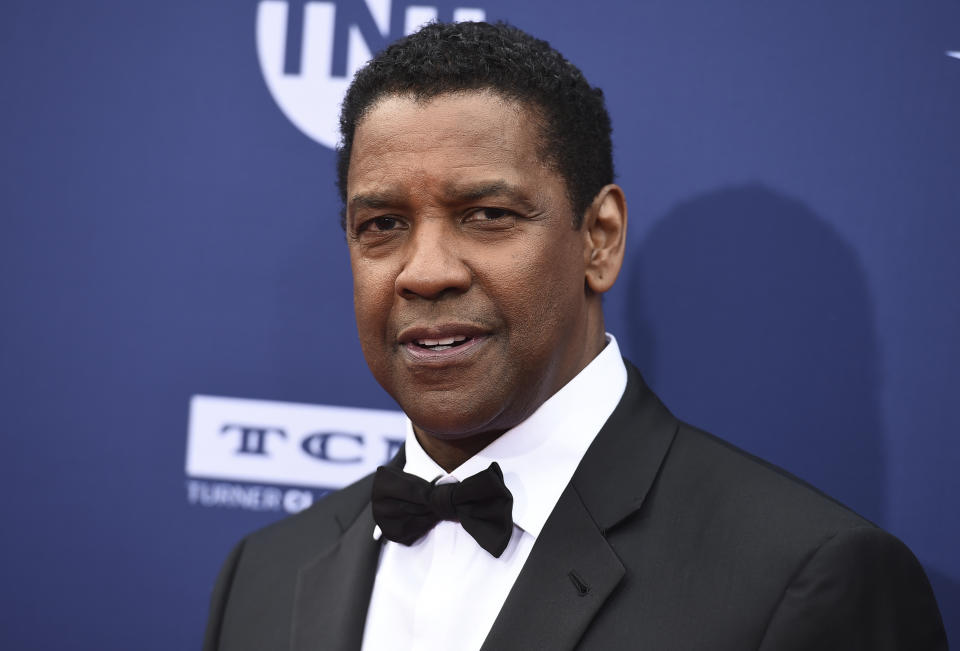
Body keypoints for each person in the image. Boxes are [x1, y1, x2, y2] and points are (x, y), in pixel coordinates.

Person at [203, 21, 947, 650]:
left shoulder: (805, 580)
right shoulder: (262, 575)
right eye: (383, 226)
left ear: (599, 238)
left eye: (487, 214)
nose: (424, 272)